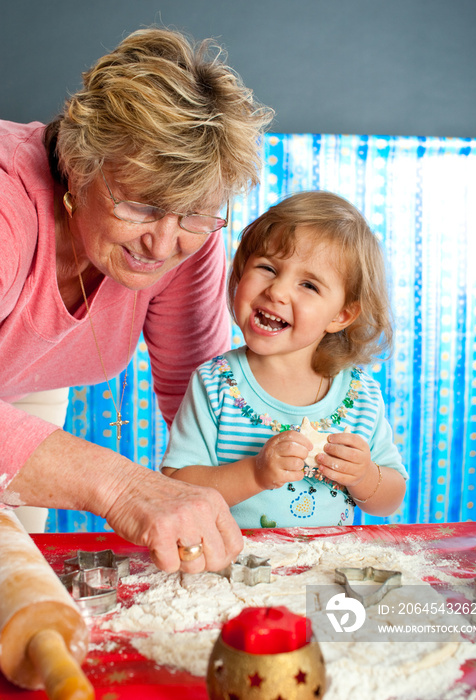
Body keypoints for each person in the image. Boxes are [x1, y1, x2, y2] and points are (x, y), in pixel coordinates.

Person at [0, 27, 273, 570]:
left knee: (14, 580)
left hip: (23, 380)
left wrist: (262, 498)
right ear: (80, 165)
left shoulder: (188, 238)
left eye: (194, 212)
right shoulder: (8, 209)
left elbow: (199, 399)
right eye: (143, 207)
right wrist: (123, 488)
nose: (164, 245)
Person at [161, 191, 407, 528]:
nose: (277, 291)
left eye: (308, 285)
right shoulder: (215, 383)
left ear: (342, 315)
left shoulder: (360, 394)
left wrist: (364, 475)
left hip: (326, 574)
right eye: (267, 267)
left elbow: (391, 499)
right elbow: (177, 486)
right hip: (235, 571)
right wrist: (254, 473)